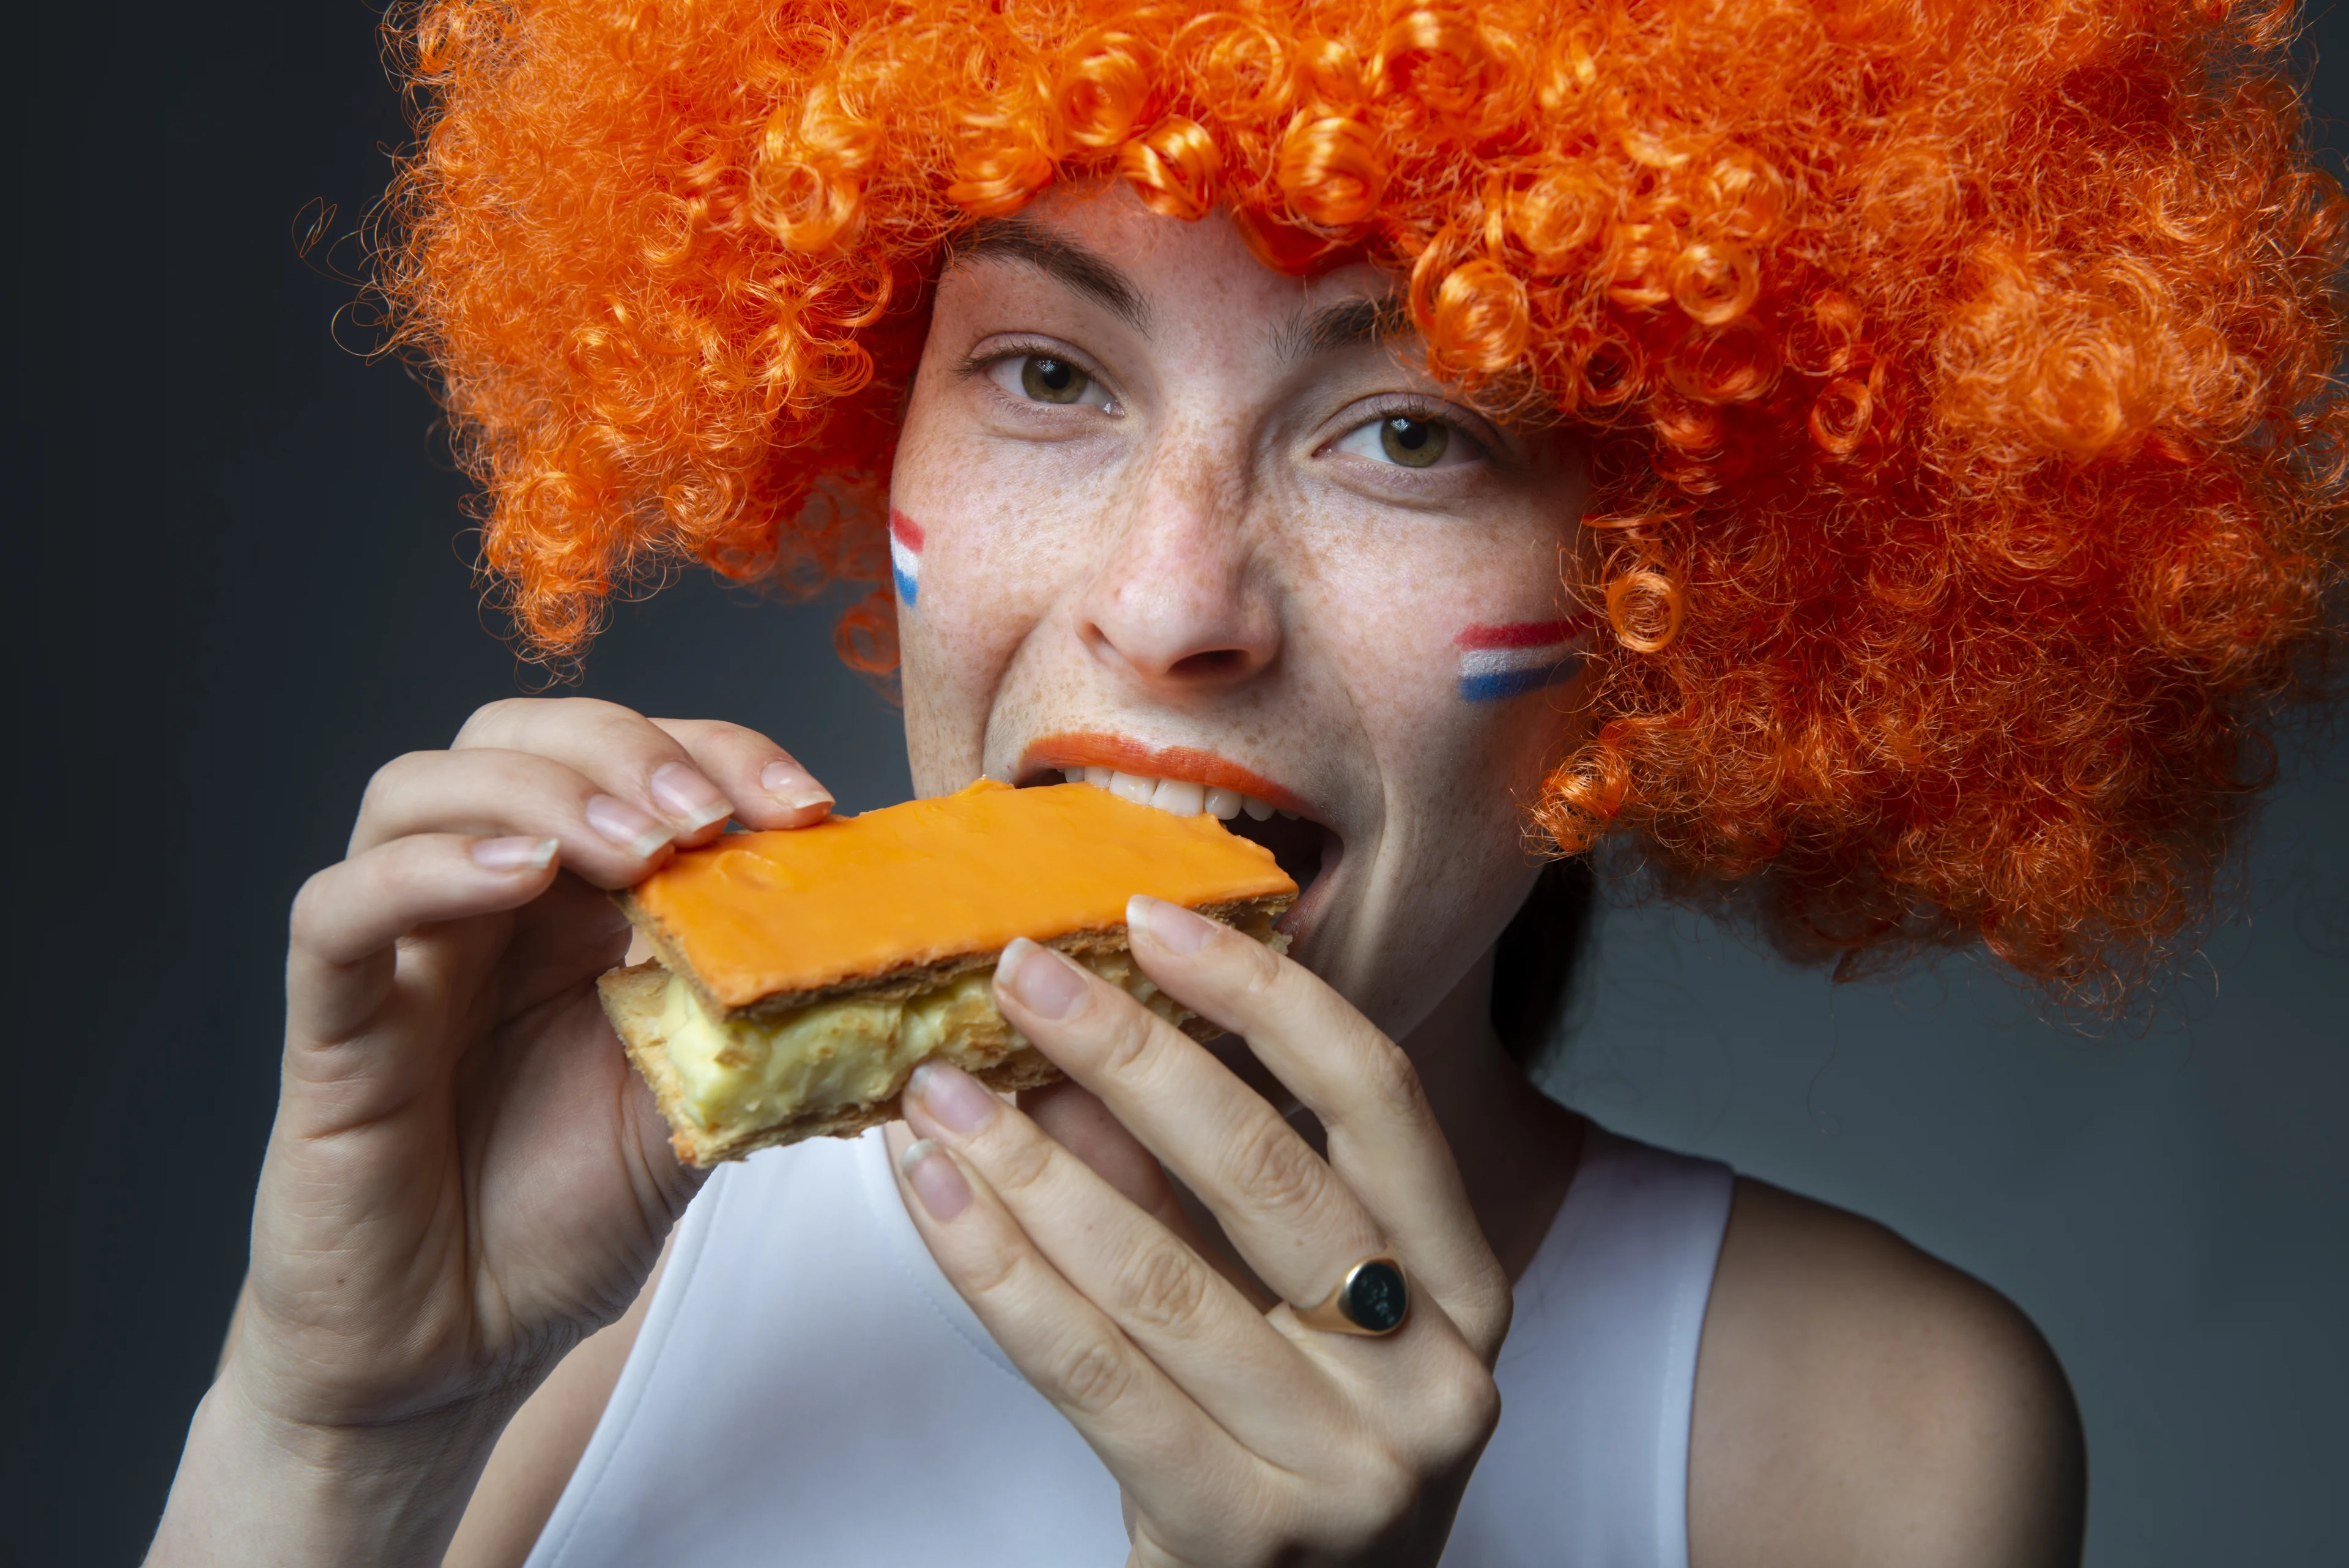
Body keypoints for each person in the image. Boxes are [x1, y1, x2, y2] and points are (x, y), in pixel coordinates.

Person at [147, 1, 2341, 1564]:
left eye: (1410, 428)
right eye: (1045, 370)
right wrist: (336, 1433)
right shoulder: (579, 1278)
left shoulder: (1868, 1445)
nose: (1174, 604)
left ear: (1717, 584)